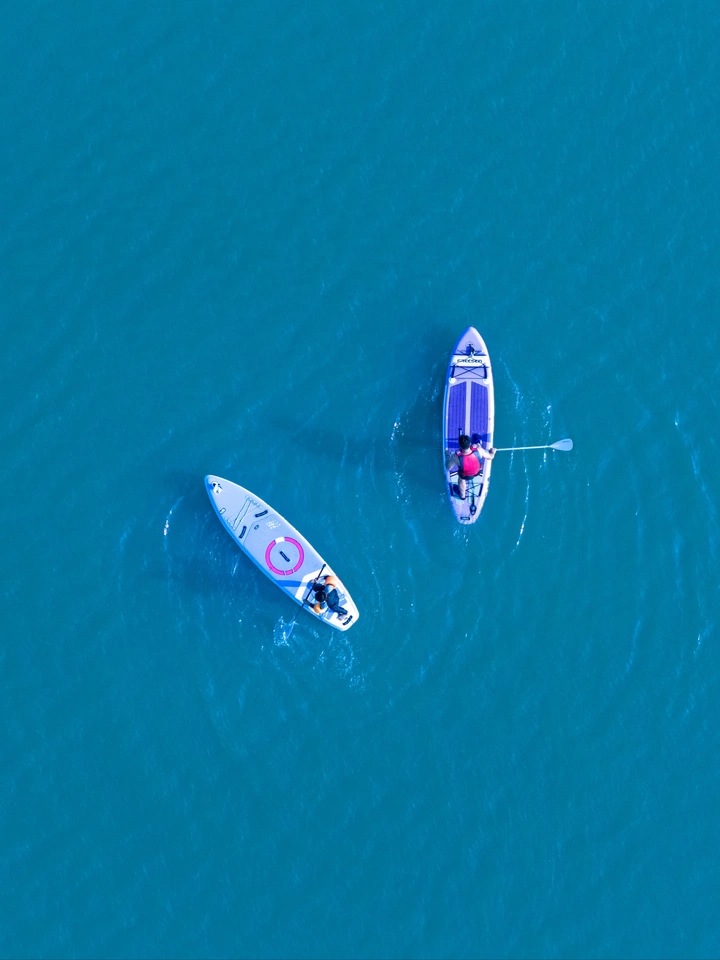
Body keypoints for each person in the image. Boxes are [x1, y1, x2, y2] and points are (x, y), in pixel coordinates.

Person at [447, 434, 495, 499]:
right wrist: (492, 451)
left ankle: (462, 496)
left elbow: (448, 467)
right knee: (478, 445)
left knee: (461, 479)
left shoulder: (455, 457)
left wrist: (447, 456)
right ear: (470, 443)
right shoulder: (479, 450)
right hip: (478, 472)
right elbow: (490, 457)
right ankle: (478, 443)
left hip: (465, 476)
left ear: (460, 445)